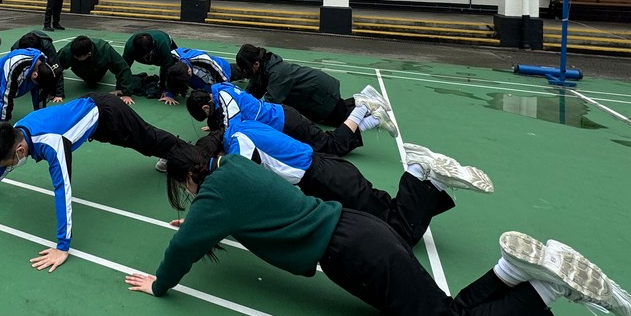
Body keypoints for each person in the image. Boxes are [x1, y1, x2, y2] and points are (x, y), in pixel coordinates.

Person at [123, 137, 631, 316]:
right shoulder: (236, 167)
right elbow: (249, 211)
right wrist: (202, 221)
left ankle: (546, 286)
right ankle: (510, 272)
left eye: (184, 191)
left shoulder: (213, 197)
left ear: (188, 179)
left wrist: (159, 283)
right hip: (360, 230)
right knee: (442, 313)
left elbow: (184, 247)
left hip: (353, 256)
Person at [188, 89, 490, 247]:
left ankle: (419, 172)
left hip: (325, 179)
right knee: (382, 207)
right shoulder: (240, 126)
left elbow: (241, 185)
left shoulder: (237, 144)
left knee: (399, 234)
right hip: (328, 170)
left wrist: (206, 219)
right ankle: (429, 178)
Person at [0, 93, 186, 271]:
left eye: (10, 164)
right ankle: (178, 153)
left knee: (147, 140)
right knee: (144, 142)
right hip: (94, 118)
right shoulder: (15, 133)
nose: (8, 167)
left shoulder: (51, 142)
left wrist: (62, 246)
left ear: (20, 150)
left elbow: (63, 189)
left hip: (108, 114)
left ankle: (189, 156)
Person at [202, 79, 394, 157]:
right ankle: (375, 119)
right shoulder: (222, 88)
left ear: (205, 106)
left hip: (286, 123)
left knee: (331, 146)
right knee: (328, 141)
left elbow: (233, 127)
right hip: (285, 116)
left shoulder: (225, 100)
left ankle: (362, 105)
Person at [236, 44, 386, 129]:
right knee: (340, 109)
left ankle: (370, 110)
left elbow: (270, 104)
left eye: (245, 69)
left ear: (256, 63)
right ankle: (365, 98)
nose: (245, 74)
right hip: (312, 92)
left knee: (341, 120)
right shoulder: (262, 69)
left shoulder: (277, 73)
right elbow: (251, 93)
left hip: (319, 93)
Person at [0, 47, 59, 122]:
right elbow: (6, 95)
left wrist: (41, 118)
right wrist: (3, 124)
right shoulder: (15, 65)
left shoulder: (42, 65)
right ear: (35, 75)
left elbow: (39, 95)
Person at [55, 35, 135, 103]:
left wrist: (126, 93)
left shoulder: (105, 49)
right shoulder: (68, 51)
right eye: (74, 55)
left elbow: (123, 68)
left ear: (89, 53)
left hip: (99, 70)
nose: (75, 56)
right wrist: (57, 93)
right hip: (80, 69)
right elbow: (56, 68)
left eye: (78, 56)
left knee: (94, 80)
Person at [162, 46, 233, 104]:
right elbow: (170, 75)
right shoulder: (173, 55)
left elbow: (223, 77)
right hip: (198, 71)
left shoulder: (204, 60)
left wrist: (223, 94)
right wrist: (169, 94)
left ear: (189, 71)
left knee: (212, 90)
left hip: (223, 68)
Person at [11, 31, 65, 101]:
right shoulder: (16, 49)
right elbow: (12, 70)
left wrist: (59, 94)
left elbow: (56, 68)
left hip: (43, 52)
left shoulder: (47, 46)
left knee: (47, 71)